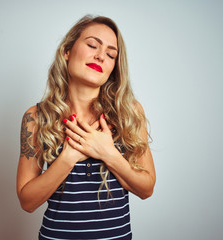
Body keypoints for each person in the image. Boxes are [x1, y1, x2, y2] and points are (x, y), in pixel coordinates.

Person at [17, 15, 156, 240]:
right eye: (92, 45)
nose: (100, 56)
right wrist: (68, 157)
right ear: (67, 51)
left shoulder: (129, 112)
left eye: (111, 54)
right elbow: (27, 202)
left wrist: (109, 154)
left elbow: (146, 189)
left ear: (114, 67)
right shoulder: (35, 117)